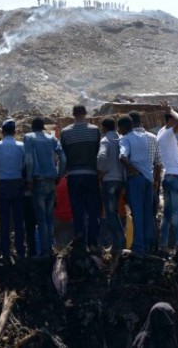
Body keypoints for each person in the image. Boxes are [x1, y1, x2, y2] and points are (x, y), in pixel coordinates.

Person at [119, 114, 162, 256]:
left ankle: (138, 248)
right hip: (148, 179)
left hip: (135, 179)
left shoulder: (124, 139)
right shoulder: (144, 137)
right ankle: (149, 246)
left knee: (137, 214)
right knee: (147, 214)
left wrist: (131, 169)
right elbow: (157, 163)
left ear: (123, 128)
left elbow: (122, 156)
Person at [59, 105, 102, 249]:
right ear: (85, 113)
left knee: (77, 211)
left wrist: (62, 174)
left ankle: (80, 243)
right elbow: (99, 154)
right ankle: (93, 243)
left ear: (73, 115)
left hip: (73, 177)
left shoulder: (65, 133)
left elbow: (63, 158)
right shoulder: (95, 131)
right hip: (91, 176)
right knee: (93, 211)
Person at [23, 117, 66, 258]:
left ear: (32, 127)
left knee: (41, 218)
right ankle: (51, 249)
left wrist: (29, 178)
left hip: (38, 181)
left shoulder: (29, 137)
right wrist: (59, 174)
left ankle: (45, 252)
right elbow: (63, 156)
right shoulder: (51, 139)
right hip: (51, 181)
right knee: (49, 217)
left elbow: (29, 158)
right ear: (43, 127)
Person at [0, 118, 26, 260]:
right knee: (18, 220)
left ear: (2, 131)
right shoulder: (21, 146)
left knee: (4, 220)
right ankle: (20, 252)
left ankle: (5, 253)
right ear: (15, 132)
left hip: (4, 184)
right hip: (18, 183)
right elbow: (24, 164)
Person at [157, 101, 178, 252]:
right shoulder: (167, 133)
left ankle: (163, 244)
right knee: (177, 213)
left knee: (167, 214)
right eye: (174, 116)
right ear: (170, 119)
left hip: (167, 177)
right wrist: (171, 110)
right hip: (174, 177)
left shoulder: (161, 132)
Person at [97, 116, 126, 255]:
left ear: (104, 128)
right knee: (115, 213)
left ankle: (118, 244)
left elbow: (102, 157)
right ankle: (120, 242)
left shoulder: (105, 140)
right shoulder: (121, 139)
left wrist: (100, 171)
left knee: (110, 214)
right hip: (121, 179)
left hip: (109, 180)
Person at [53, 177, 73, 252]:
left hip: (57, 217)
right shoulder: (71, 182)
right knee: (68, 244)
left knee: (59, 244)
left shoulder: (57, 184)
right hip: (70, 217)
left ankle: (60, 254)